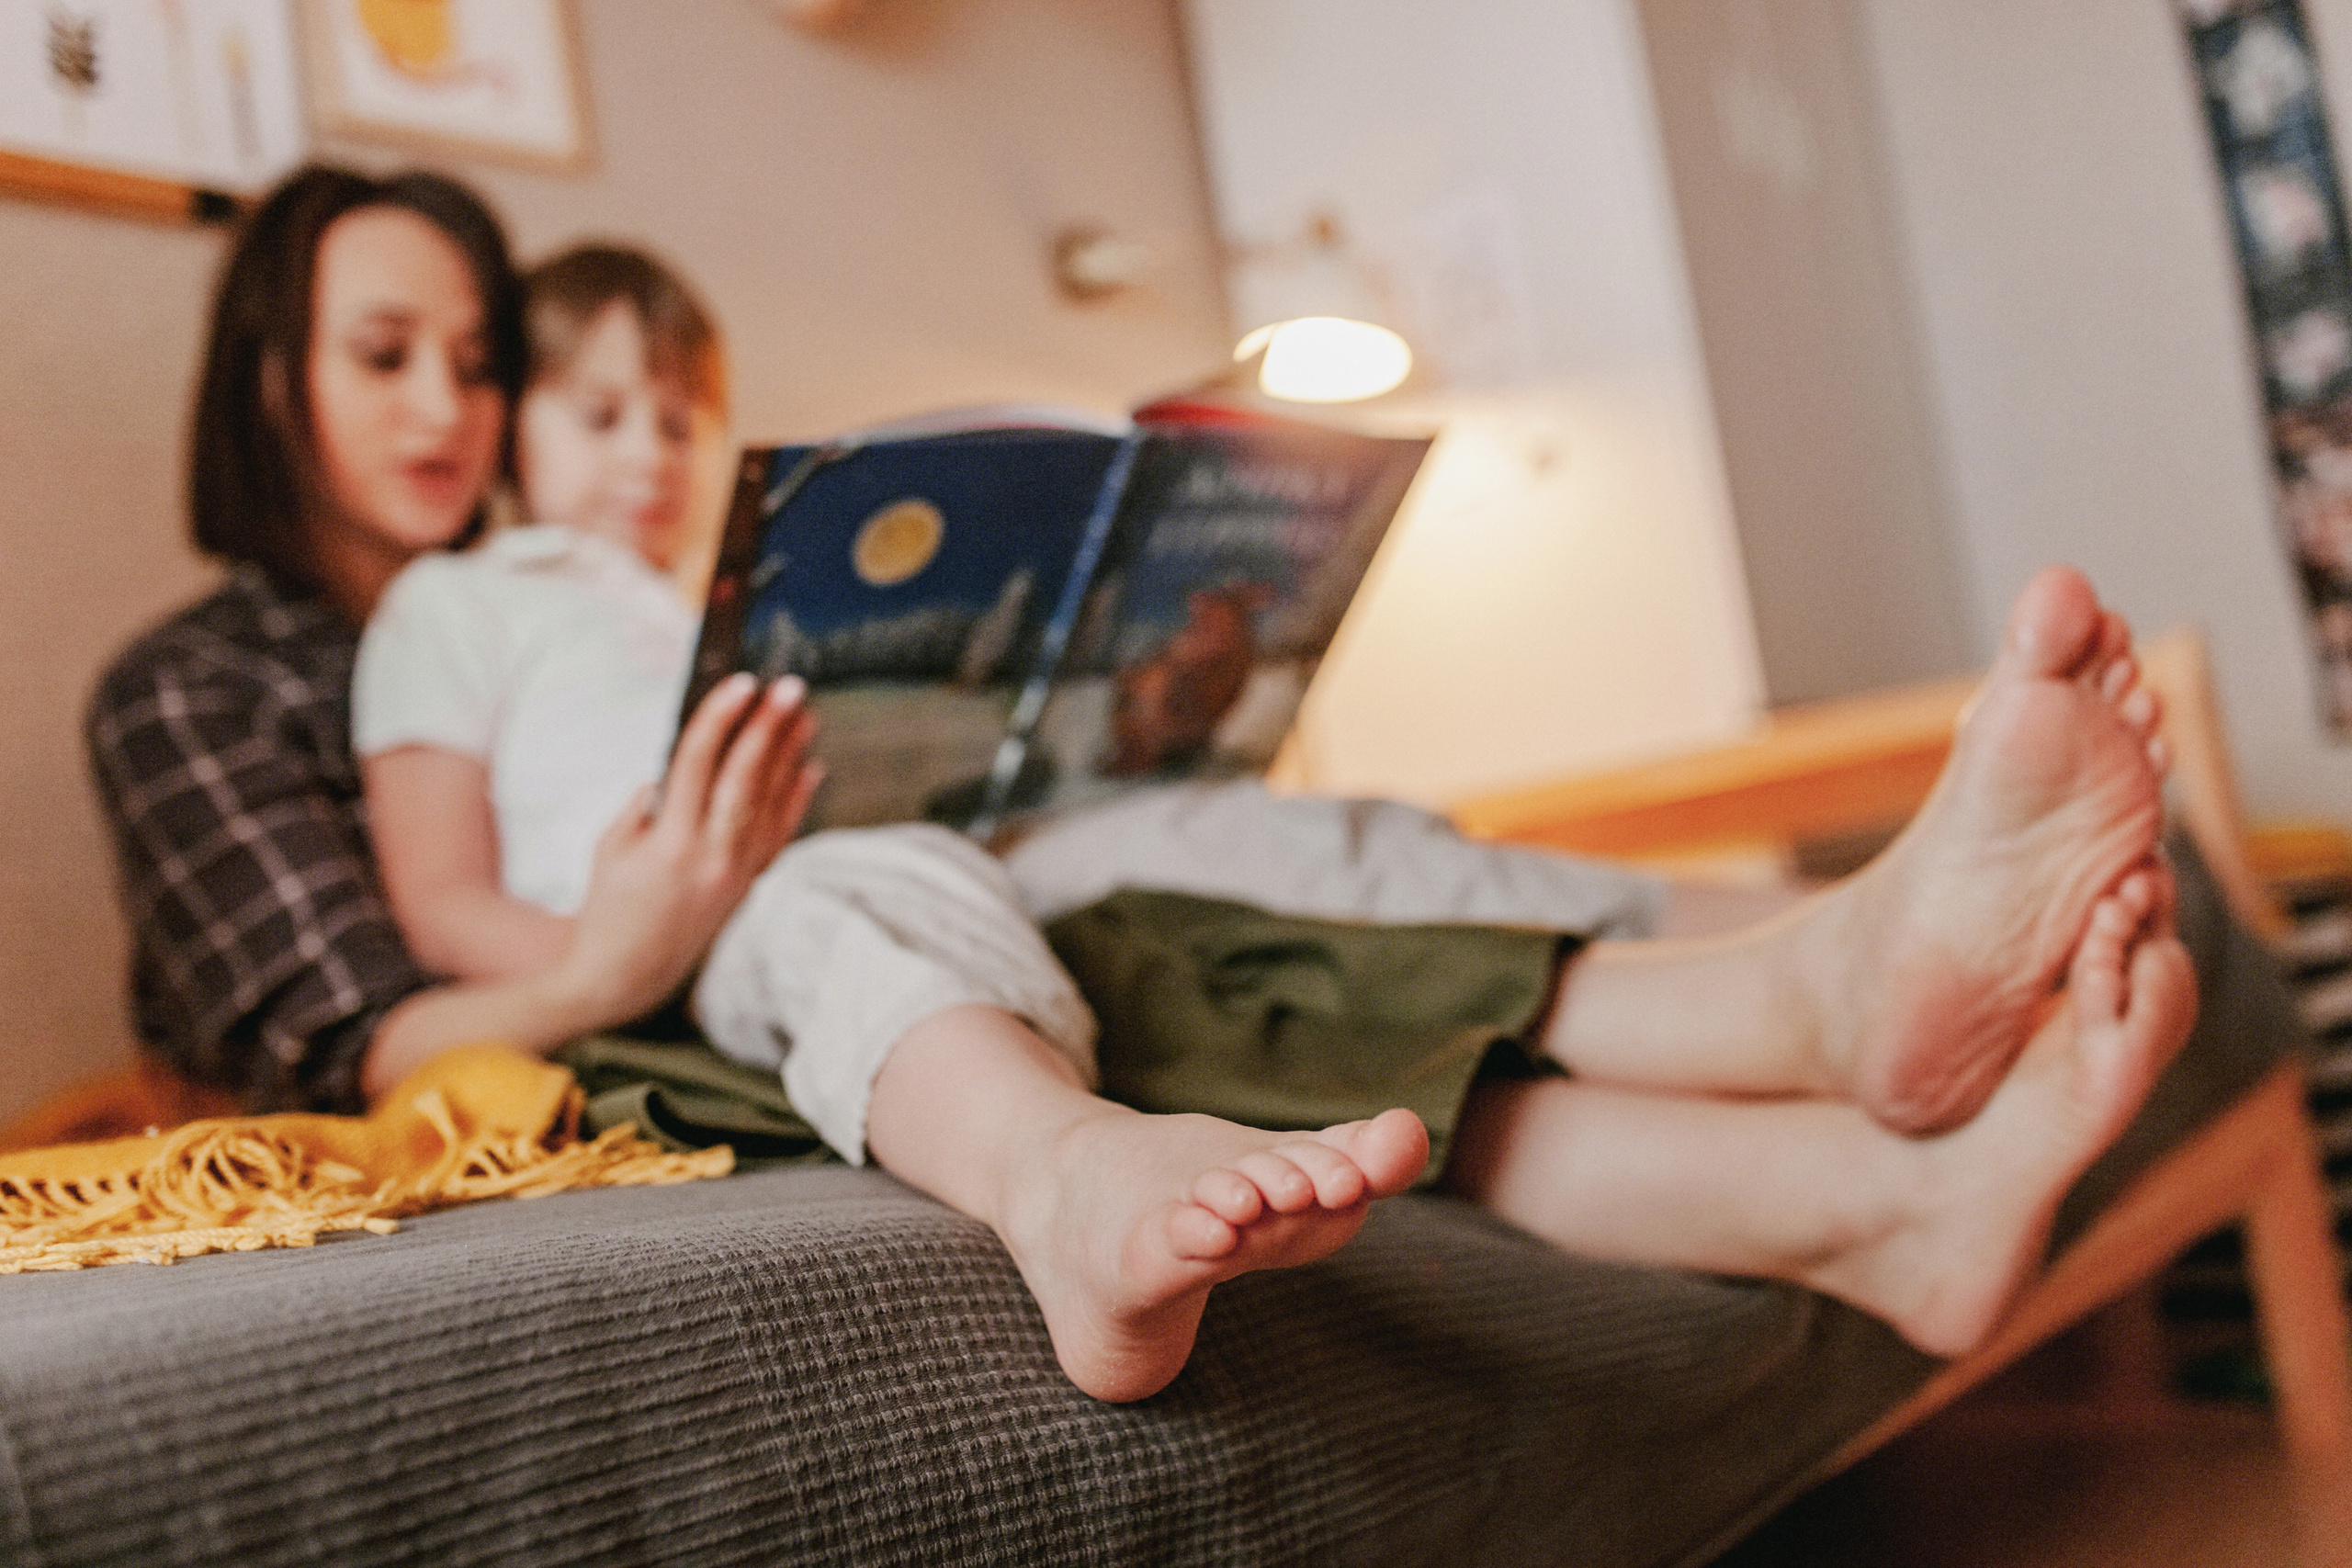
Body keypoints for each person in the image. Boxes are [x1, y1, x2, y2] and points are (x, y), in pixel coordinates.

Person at [90, 164, 2195, 1409]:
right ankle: (1069, 1170)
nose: (451, 408)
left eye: (478, 360)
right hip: (671, 965)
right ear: (268, 372)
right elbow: (387, 1003)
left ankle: (1842, 993)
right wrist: (613, 941)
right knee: (919, 913)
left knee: (1208, 844)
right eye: (387, 356)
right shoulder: (309, 659)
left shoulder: (633, 596)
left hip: (905, 834)